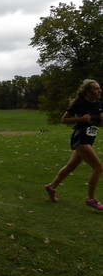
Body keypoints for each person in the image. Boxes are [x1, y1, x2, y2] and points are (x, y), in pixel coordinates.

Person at [44, 79, 103, 210]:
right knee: (98, 167)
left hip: (89, 140)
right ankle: (91, 199)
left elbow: (98, 123)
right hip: (80, 139)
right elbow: (63, 120)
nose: (99, 90)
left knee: (70, 167)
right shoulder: (80, 103)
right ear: (88, 92)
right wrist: (80, 119)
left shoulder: (99, 104)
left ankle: (51, 187)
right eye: (96, 88)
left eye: (99, 88)